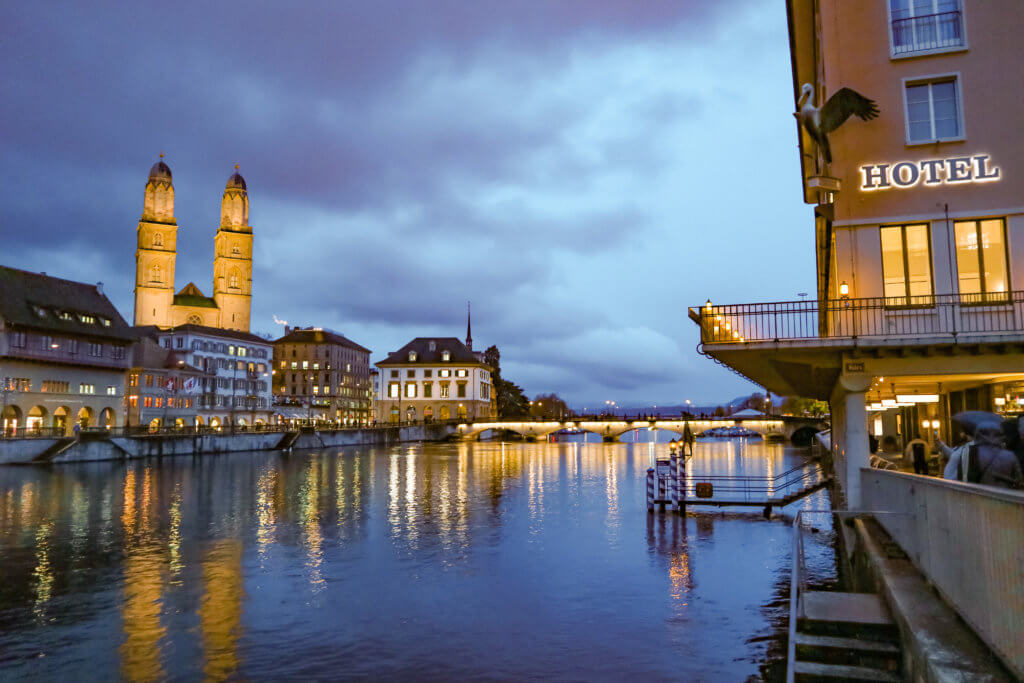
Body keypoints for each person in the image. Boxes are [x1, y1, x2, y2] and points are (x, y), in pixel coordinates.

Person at [939, 420, 1022, 488]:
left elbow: (964, 477)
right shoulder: (1007, 453)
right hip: (1005, 496)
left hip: (980, 496)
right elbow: (1018, 479)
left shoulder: (969, 451)